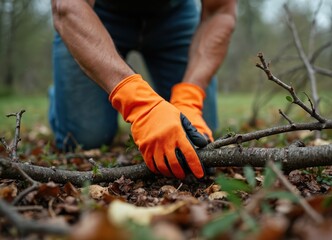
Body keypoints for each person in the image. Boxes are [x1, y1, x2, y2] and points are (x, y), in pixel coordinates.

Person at [49, 0, 237, 179]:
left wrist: (190, 97)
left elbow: (220, 11)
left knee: (199, 137)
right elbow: (68, 5)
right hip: (96, 13)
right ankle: (61, 98)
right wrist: (140, 104)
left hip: (175, 14)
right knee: (85, 137)